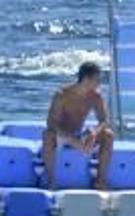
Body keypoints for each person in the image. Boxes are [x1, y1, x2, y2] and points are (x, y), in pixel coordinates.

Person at [42, 62, 115, 190]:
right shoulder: (62, 95)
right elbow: (51, 123)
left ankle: (100, 181)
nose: (99, 84)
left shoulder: (96, 96)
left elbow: (104, 120)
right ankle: (52, 181)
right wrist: (70, 139)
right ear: (86, 79)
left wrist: (94, 132)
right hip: (61, 135)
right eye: (97, 80)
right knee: (47, 135)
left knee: (108, 135)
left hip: (79, 134)